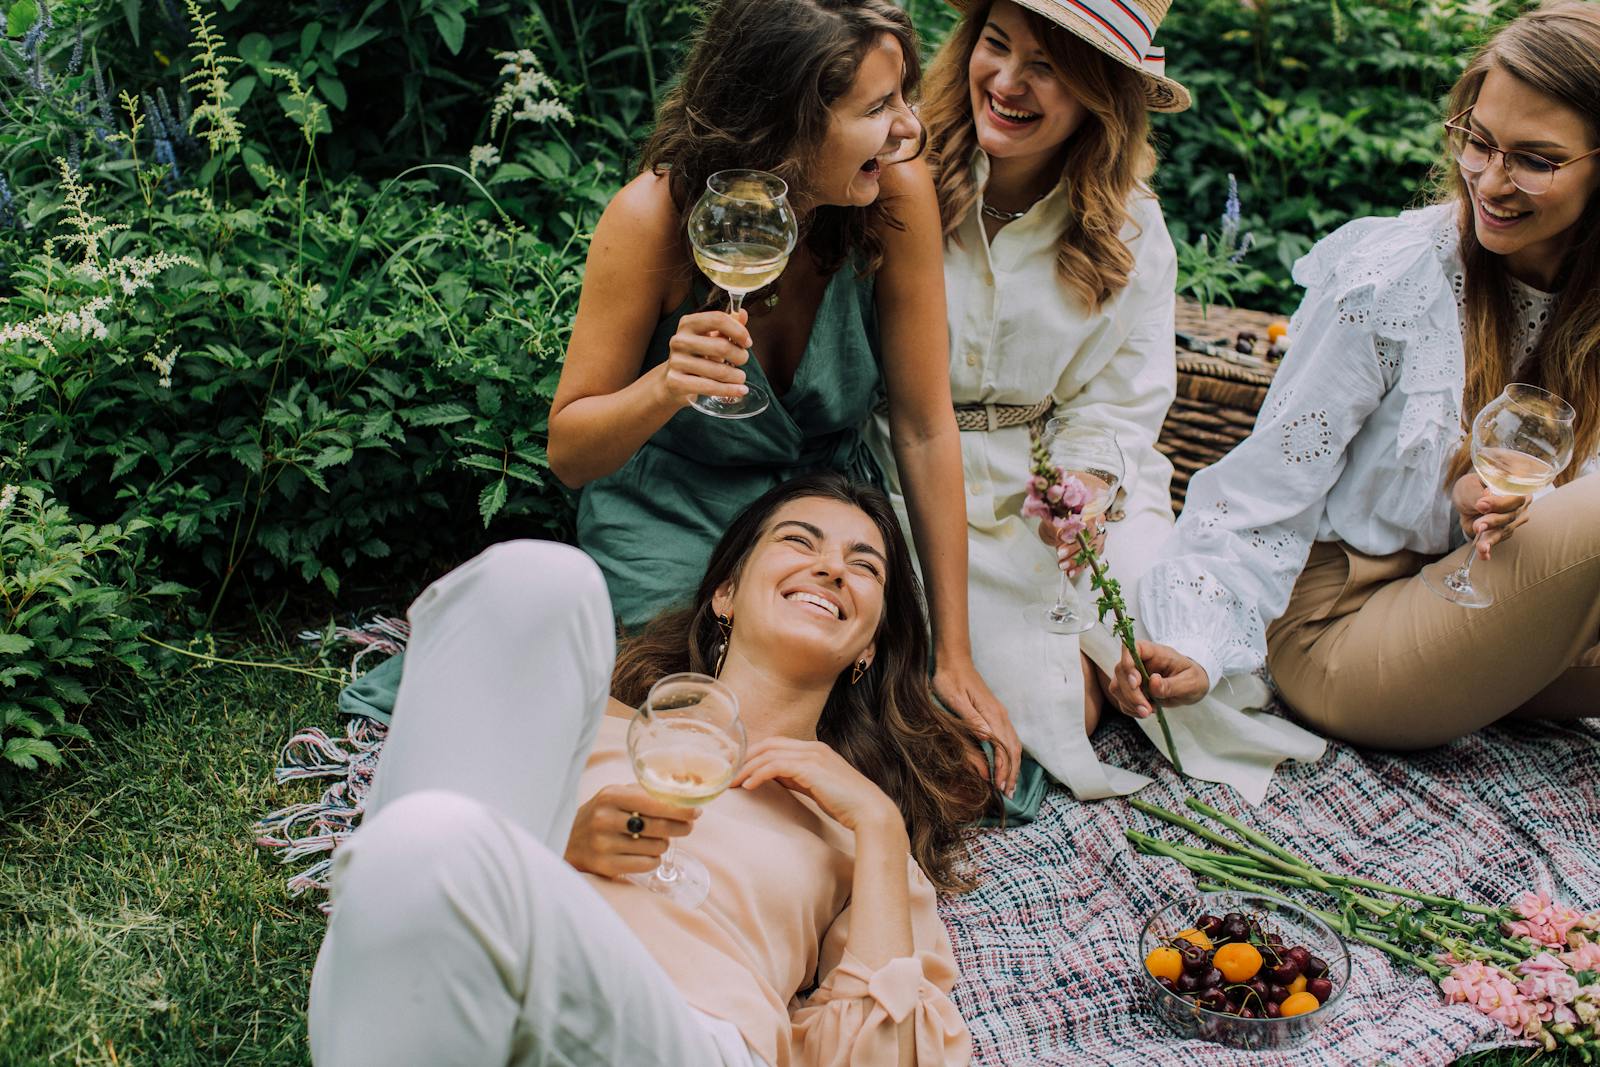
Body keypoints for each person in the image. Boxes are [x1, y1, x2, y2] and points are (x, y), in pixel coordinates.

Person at [343, 0, 1021, 788]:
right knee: (706, 700)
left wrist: (953, 652)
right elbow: (569, 451)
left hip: (821, 506)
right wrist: (666, 384)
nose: (910, 129)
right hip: (673, 510)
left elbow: (924, 427)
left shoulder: (894, 194)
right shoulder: (651, 221)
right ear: (786, 122)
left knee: (904, 737)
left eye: (902, 95)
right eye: (878, 107)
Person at [307, 474, 991, 1066]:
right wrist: (558, 844)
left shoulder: (862, 833)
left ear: (868, 645)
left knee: (426, 843)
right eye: (799, 541)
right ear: (726, 591)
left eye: (863, 566)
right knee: (545, 582)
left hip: (686, 1032)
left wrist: (877, 822)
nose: (831, 568)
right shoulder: (590, 722)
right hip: (478, 972)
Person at [1107, 0, 1600, 749]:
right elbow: (1262, 491)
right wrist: (1196, 638)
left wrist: (1481, 502)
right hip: (1339, 631)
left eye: (1534, 159)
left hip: (1477, 604)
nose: (1491, 181)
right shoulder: (1396, 277)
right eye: (1479, 142)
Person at [868, 0, 1188, 806]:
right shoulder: (898, 169)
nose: (1007, 82)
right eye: (996, 45)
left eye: (1046, 66)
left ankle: (1079, 671)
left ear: (1100, 94)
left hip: (1040, 484)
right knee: (964, 705)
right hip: (901, 463)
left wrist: (1082, 491)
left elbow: (1120, 401)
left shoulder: (1133, 230)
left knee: (1121, 678)